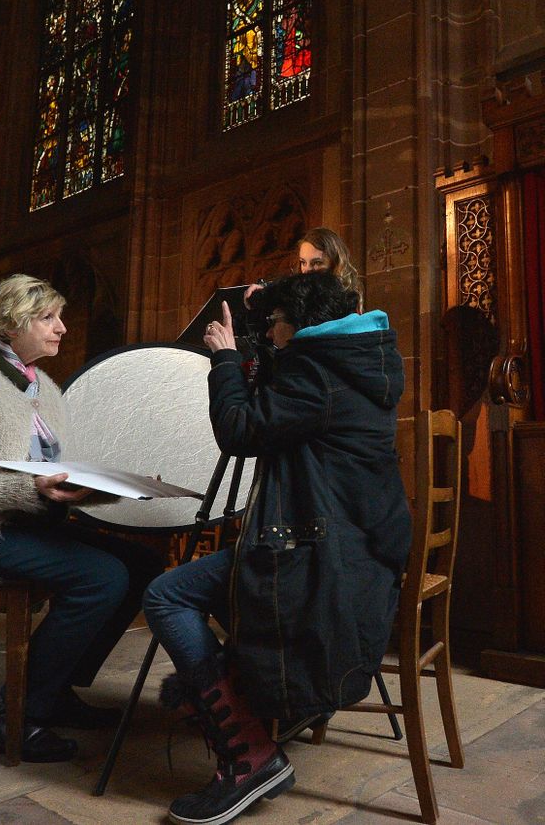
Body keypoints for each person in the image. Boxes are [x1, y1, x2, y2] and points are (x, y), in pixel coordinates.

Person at [143, 271, 412, 825]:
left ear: (303, 327)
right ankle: (264, 697)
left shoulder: (316, 375)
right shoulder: (356, 361)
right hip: (354, 547)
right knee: (225, 580)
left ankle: (249, 757)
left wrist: (223, 358)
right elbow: (282, 402)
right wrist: (264, 339)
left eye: (279, 324)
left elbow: (241, 429)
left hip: (324, 560)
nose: (274, 333)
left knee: (168, 594)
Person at [0, 273, 163, 762]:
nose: (61, 329)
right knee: (102, 576)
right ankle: (18, 715)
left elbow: (57, 477)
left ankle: (56, 690)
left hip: (36, 524)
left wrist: (110, 487)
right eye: (47, 318)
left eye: (60, 318)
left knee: (143, 564)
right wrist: (25, 488)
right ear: (11, 324)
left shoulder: (49, 390)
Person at [244, 225, 361, 306]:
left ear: (334, 262)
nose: (307, 270)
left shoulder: (346, 298)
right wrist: (265, 292)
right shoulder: (299, 294)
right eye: (303, 262)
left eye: (317, 263)